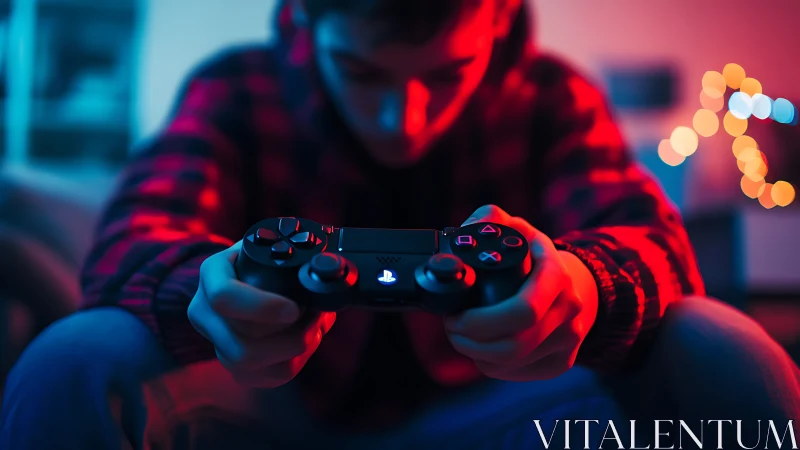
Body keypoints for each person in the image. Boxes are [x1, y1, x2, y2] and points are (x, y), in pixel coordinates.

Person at [2, 1, 799, 449]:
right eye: (361, 73)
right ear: (306, 22)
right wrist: (202, 294)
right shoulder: (235, 88)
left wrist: (584, 290)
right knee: (72, 357)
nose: (405, 120)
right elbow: (127, 247)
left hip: (493, 411)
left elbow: (657, 249)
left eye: (449, 76)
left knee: (724, 348)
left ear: (498, 23)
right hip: (272, 411)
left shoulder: (552, 95)